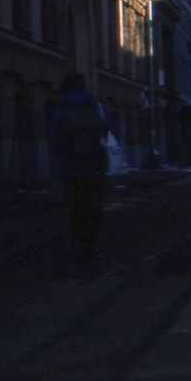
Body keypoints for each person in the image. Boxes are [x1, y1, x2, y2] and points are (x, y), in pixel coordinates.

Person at [49, 73, 113, 262]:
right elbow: (111, 133)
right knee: (94, 206)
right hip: (96, 167)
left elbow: (55, 141)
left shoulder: (61, 110)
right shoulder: (100, 109)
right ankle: (92, 244)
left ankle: (80, 244)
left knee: (77, 207)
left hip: (72, 169)